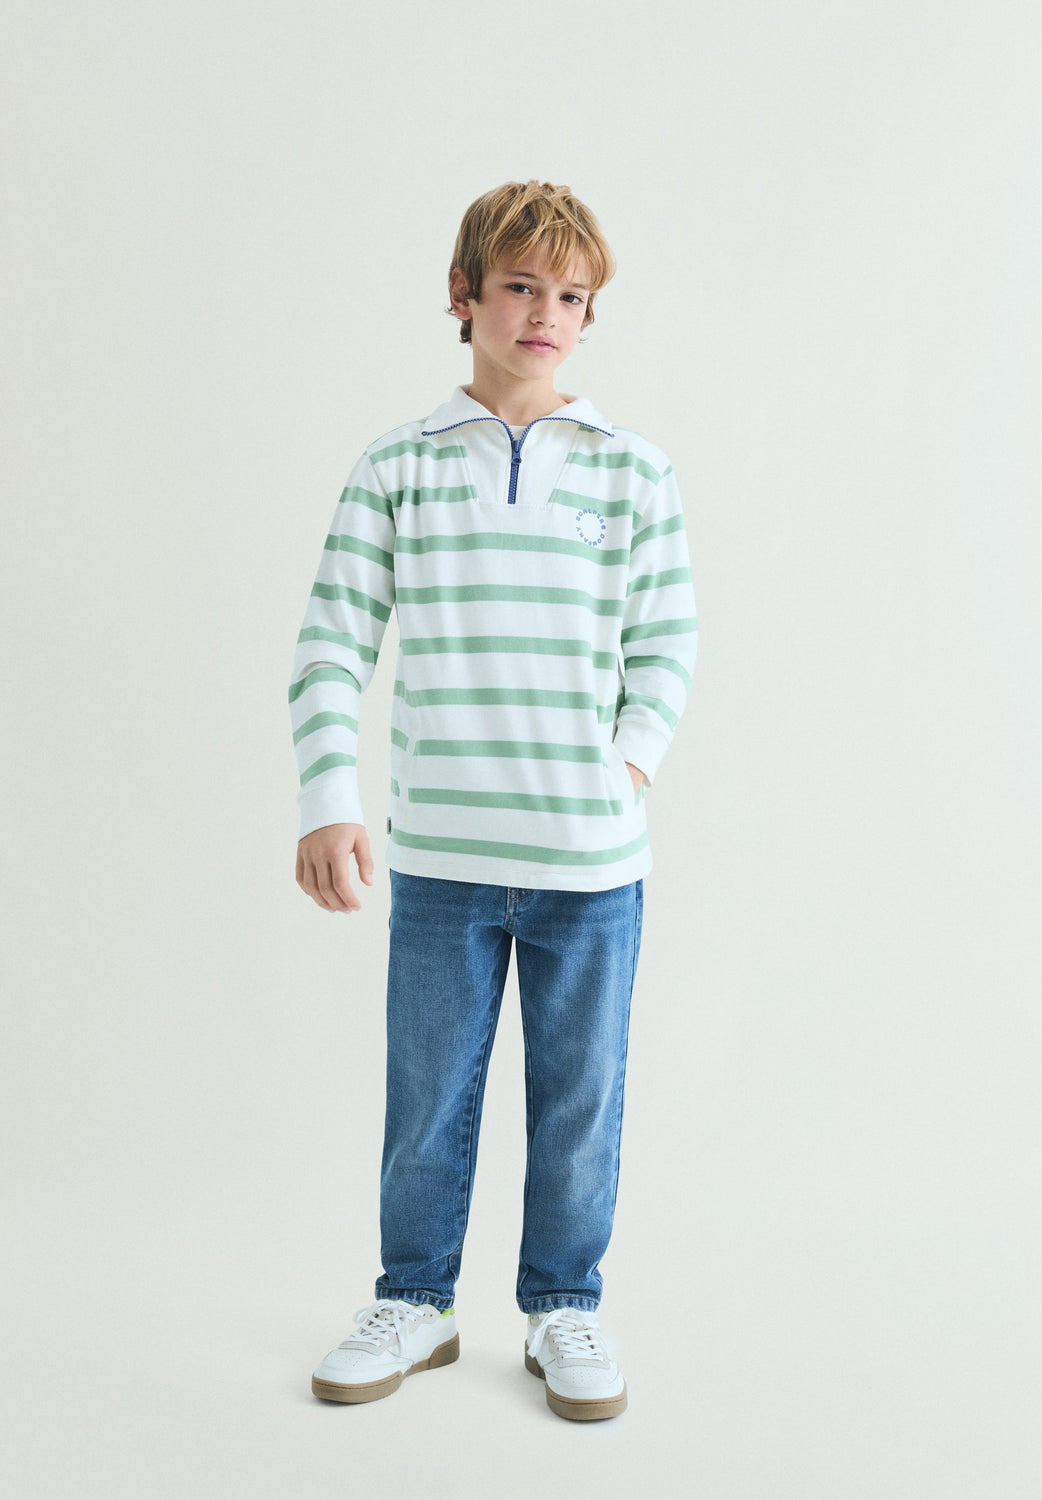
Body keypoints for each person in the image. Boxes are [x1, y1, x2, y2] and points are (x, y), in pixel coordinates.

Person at [288, 179, 698, 1421]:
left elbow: (665, 645)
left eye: (571, 296)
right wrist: (329, 798)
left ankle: (564, 1305)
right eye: (521, 286)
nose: (545, 314)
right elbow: (332, 642)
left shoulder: (632, 471)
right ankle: (415, 1300)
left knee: (580, 1100)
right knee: (428, 1096)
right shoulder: (398, 468)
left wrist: (623, 770)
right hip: (442, 860)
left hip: (590, 864)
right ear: (463, 295)